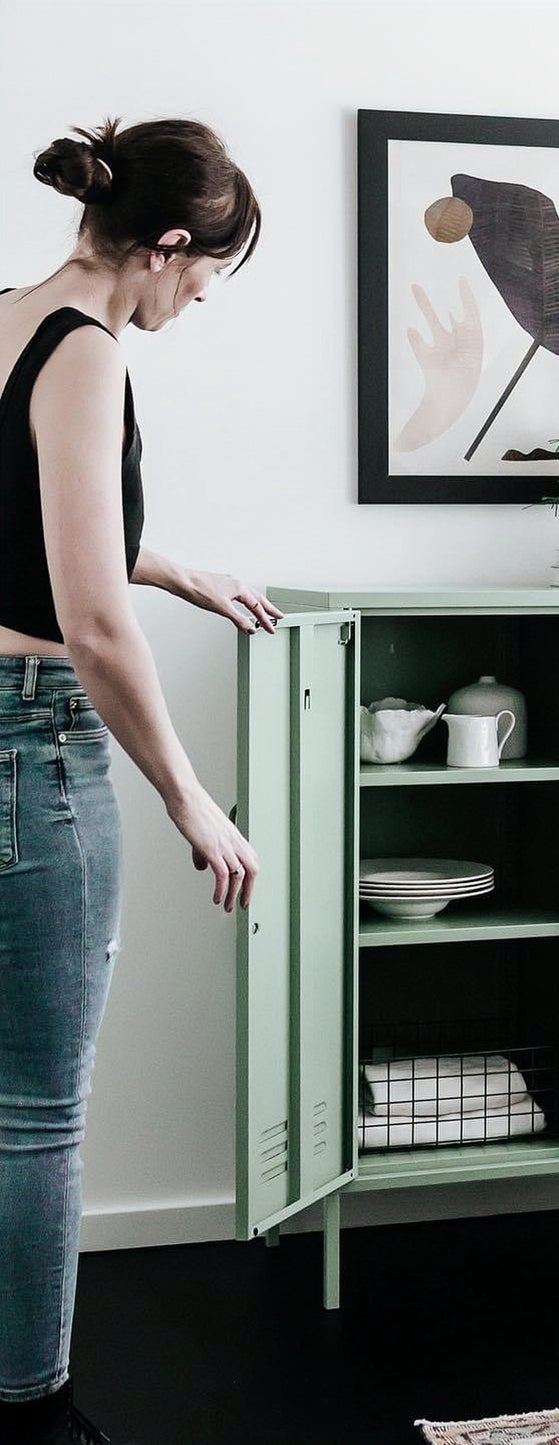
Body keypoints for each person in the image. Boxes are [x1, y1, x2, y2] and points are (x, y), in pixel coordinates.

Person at [0, 118, 276, 1444]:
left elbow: (34, 524)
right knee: (36, 1110)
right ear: (168, 247)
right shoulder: (92, 355)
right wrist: (191, 795)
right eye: (212, 269)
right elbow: (88, 621)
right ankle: (30, 1405)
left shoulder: (7, 317)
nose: (207, 296)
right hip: (33, 745)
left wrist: (173, 564)